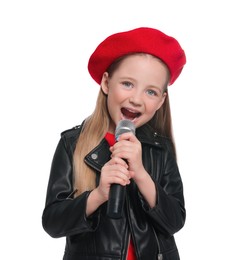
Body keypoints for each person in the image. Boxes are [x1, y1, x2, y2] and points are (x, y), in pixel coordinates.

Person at [42, 27, 186, 260]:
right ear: (107, 83)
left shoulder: (160, 149)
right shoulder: (72, 144)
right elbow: (52, 222)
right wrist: (97, 195)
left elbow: (175, 221)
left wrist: (140, 173)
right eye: (128, 84)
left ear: (161, 101)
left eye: (150, 91)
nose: (136, 99)